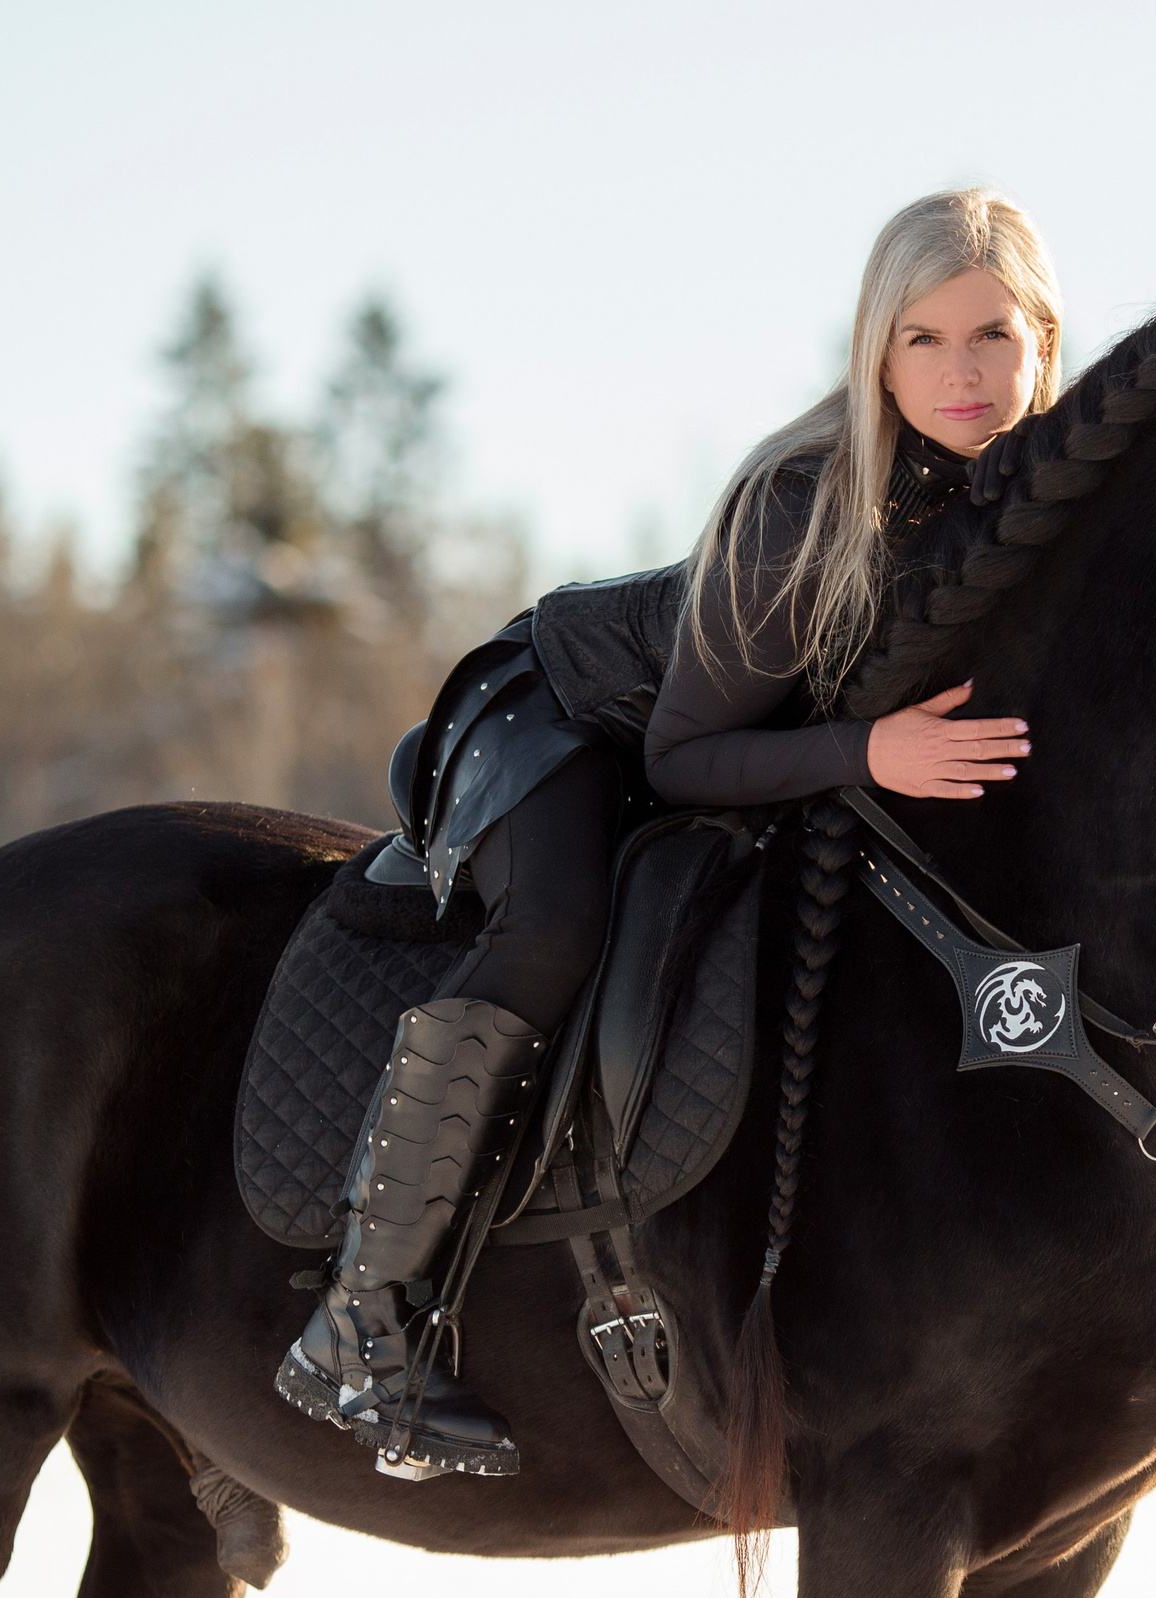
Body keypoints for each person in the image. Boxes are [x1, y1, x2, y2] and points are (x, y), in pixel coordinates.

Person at [277, 188, 1064, 1480]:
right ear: (875, 351)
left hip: (734, 756)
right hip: (567, 720)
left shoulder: (1031, 493)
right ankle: (362, 1321)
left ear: (1042, 336)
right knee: (555, 928)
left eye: (989, 335)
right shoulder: (807, 506)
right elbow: (681, 754)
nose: (961, 372)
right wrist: (871, 753)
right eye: (921, 339)